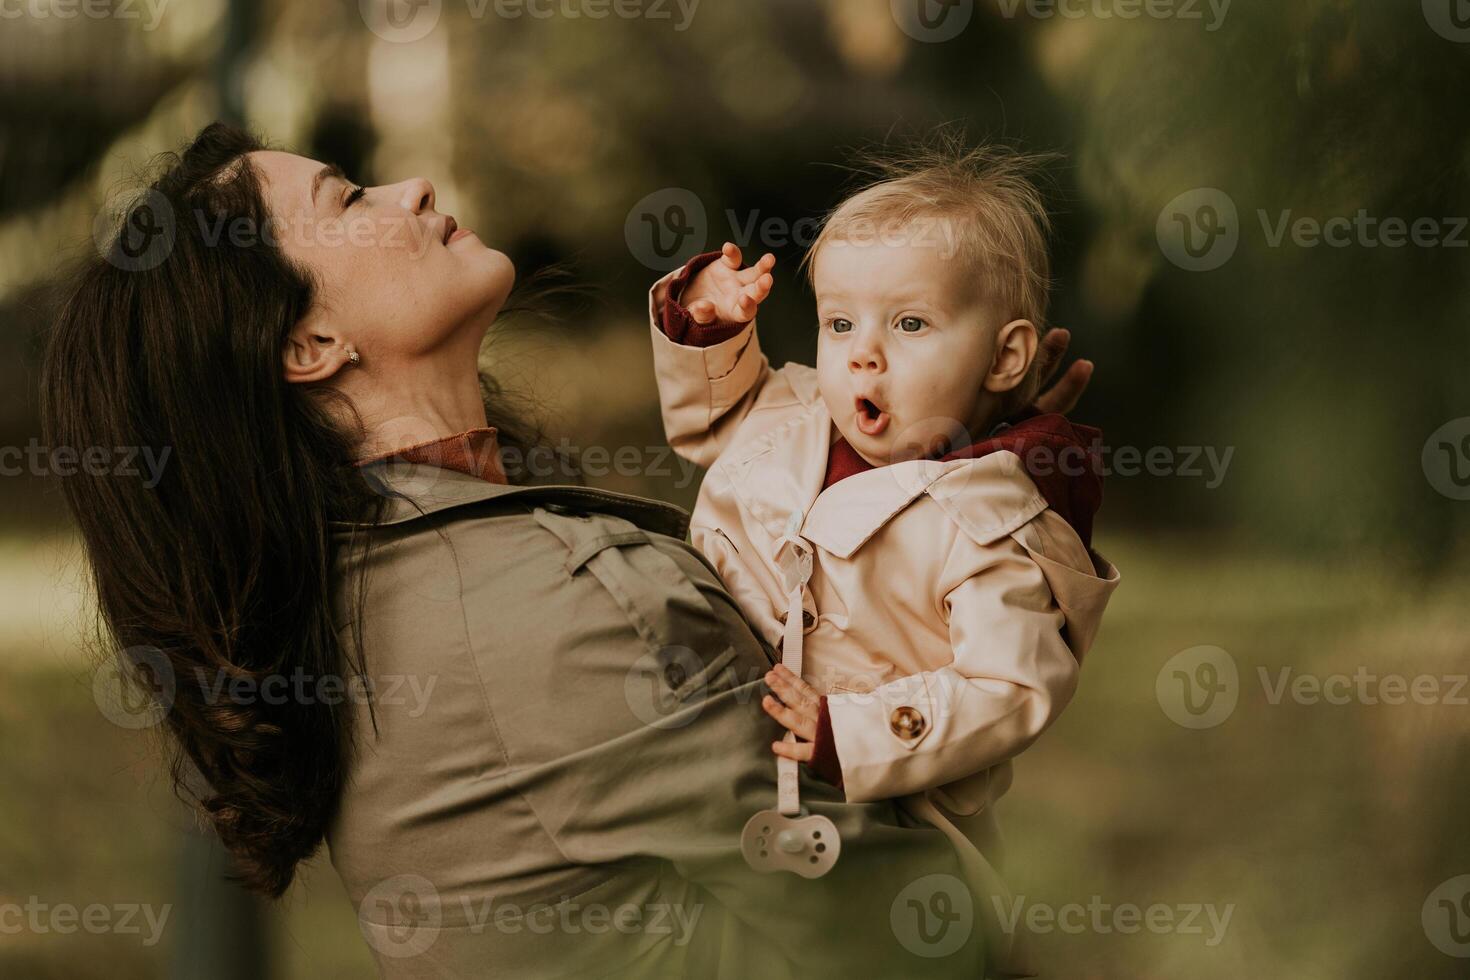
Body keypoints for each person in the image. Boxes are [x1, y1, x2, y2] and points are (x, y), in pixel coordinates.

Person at [41, 122, 1092, 977]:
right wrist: (1001, 527)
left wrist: (948, 457)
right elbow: (924, 938)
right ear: (309, 347)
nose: (407, 188)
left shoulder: (402, 564)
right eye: (348, 201)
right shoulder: (560, 605)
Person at [646, 141, 1121, 974]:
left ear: (1006, 357)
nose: (862, 352)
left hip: (892, 824)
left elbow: (1009, 687)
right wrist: (709, 322)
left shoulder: (986, 521)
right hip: (719, 765)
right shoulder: (790, 411)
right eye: (840, 322)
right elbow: (706, 417)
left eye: (909, 324)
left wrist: (853, 730)